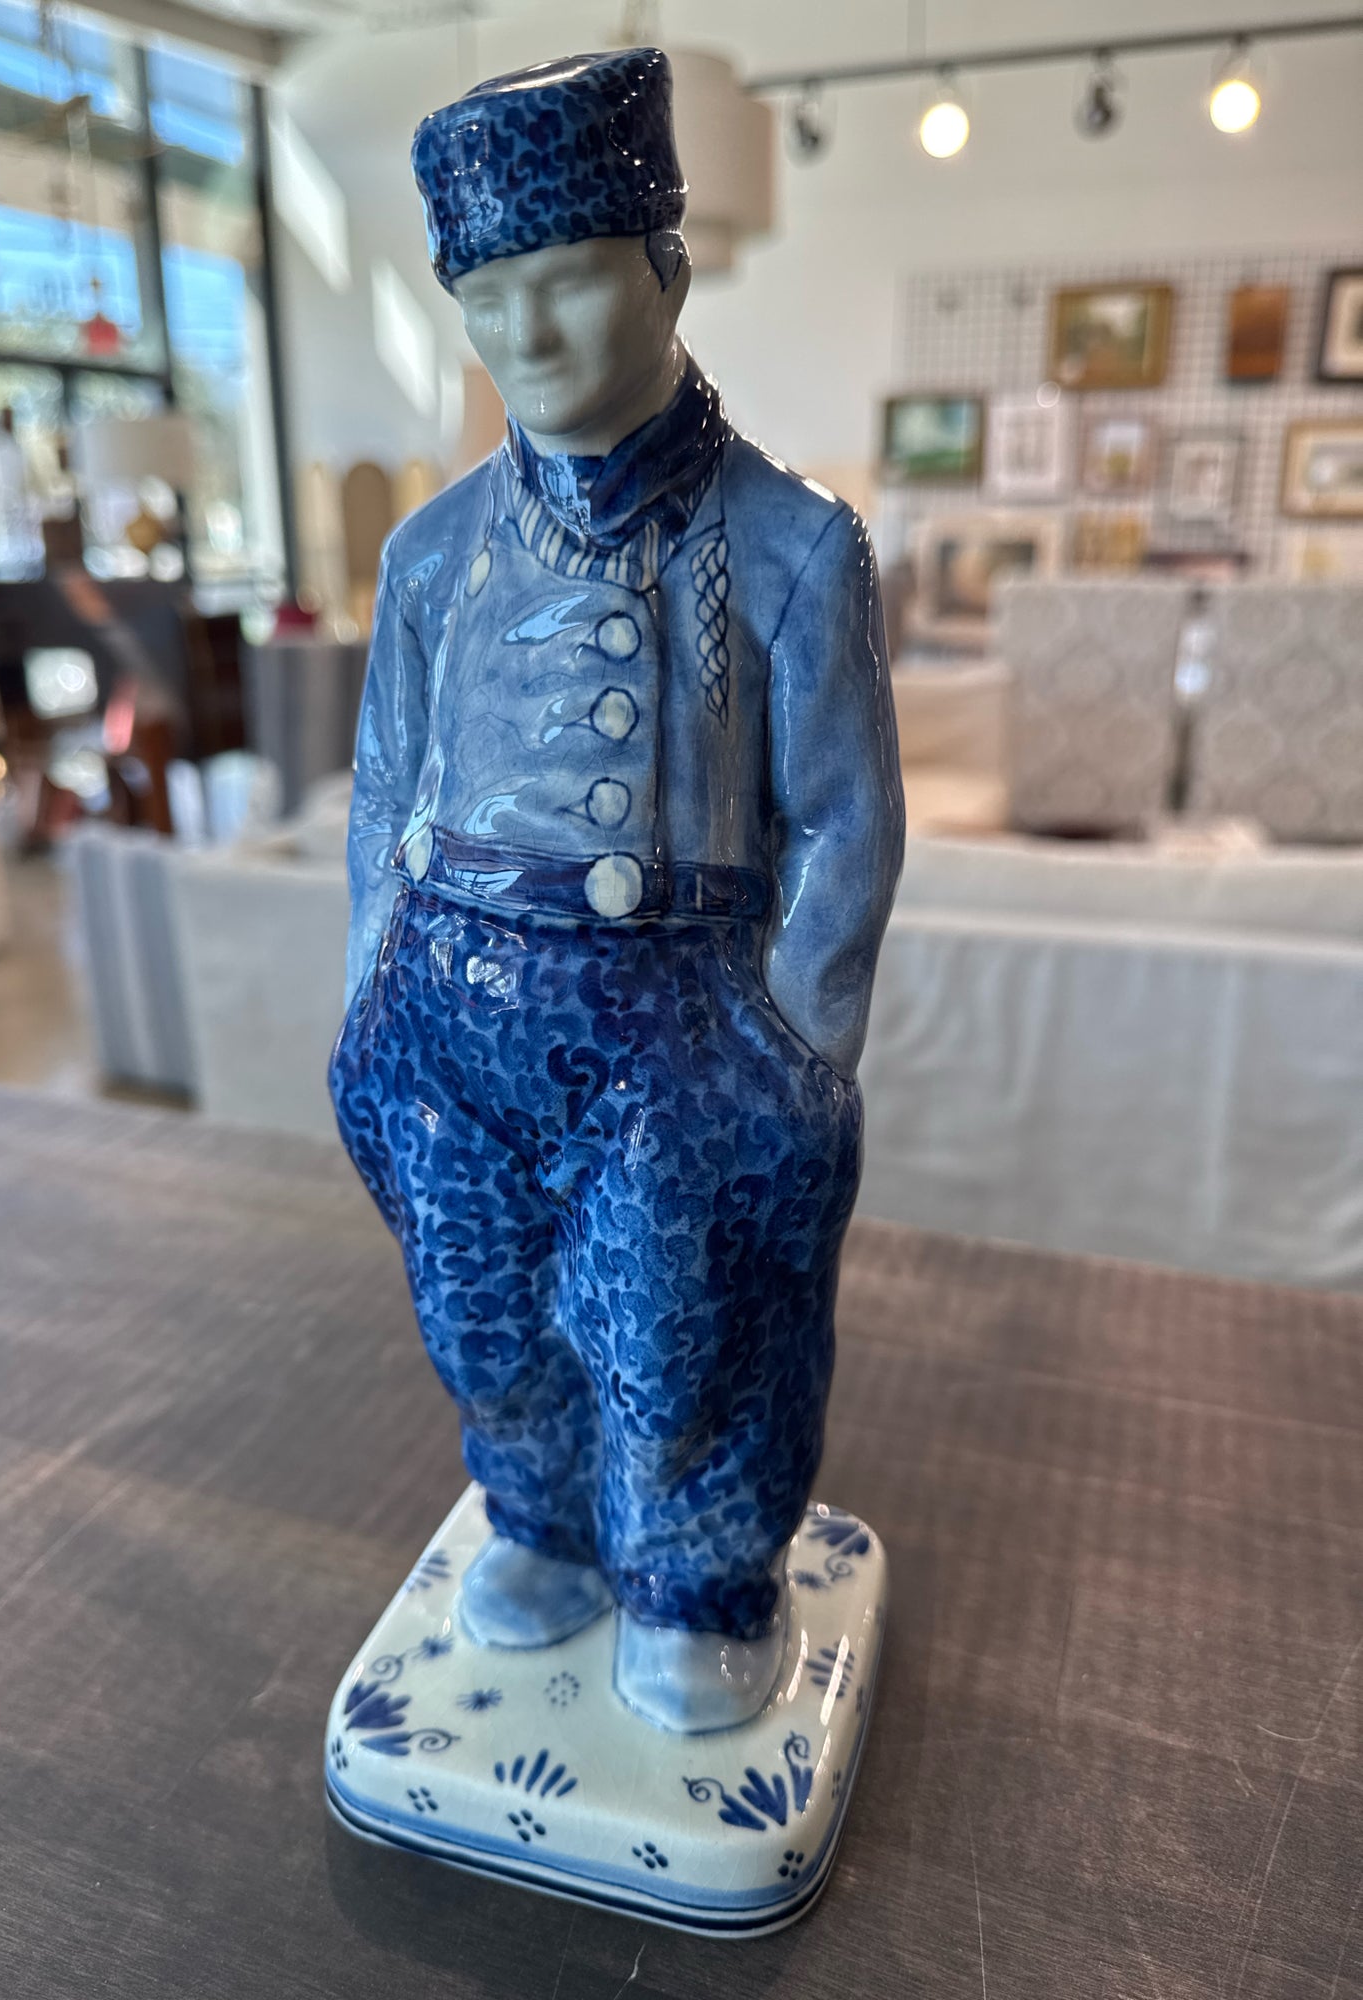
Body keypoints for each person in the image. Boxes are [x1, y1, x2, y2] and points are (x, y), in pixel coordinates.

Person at [331, 48, 904, 1732]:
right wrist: (370, 995)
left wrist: (792, 1049)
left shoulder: (795, 545)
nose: (528, 334)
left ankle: (699, 1584)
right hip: (446, 1019)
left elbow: (847, 826)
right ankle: (542, 1527)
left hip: (679, 1029)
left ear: (665, 271)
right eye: (487, 297)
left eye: (570, 280)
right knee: (484, 1317)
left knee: (677, 1337)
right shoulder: (430, 552)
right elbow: (382, 789)